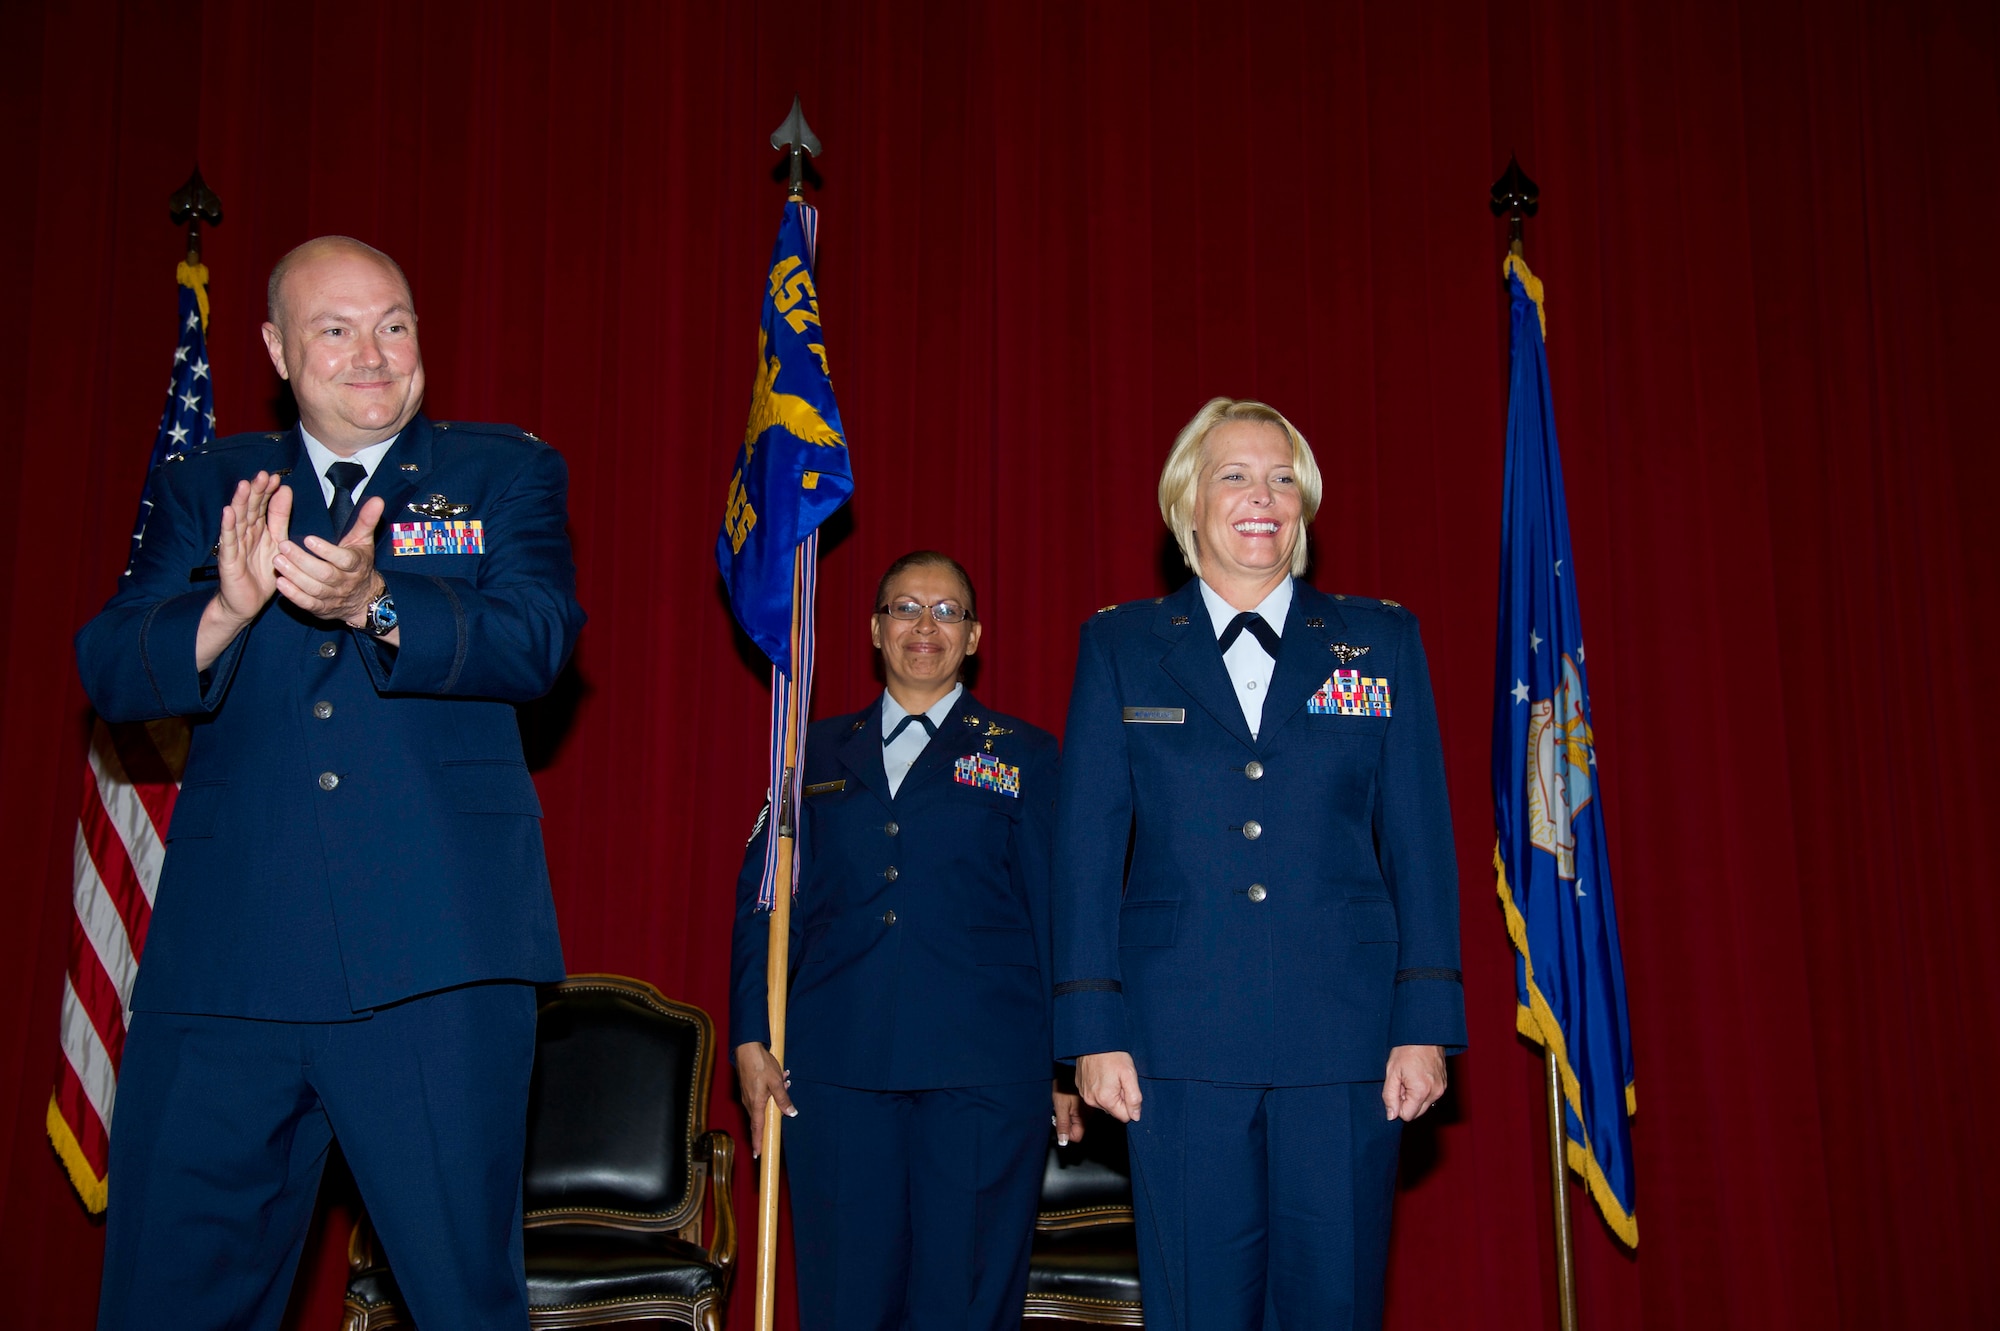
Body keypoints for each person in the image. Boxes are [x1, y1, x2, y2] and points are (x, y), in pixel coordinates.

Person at [74, 236, 586, 1331]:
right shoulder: (207, 485)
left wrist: (374, 601)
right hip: (225, 972)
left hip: (436, 962)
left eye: (393, 323)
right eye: (335, 329)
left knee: (462, 1299)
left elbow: (539, 637)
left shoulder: (503, 471)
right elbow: (110, 664)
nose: (371, 353)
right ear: (273, 348)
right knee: (168, 1297)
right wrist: (225, 609)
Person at [1052, 397, 1465, 1330]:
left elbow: (1421, 845)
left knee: (1335, 1302)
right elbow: (1084, 849)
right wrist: (1090, 1026)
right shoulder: (1119, 646)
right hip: (1176, 1046)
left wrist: (1424, 1020)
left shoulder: (1381, 642)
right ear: (1187, 504)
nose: (1262, 496)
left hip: (1348, 1043)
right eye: (1234, 475)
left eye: (1284, 479)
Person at [731, 550, 1075, 1330]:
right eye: (906, 608)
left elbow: (1056, 911)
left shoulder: (1024, 754)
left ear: (975, 635)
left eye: (947, 611)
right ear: (875, 629)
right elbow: (764, 902)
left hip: (983, 1074)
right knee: (846, 1300)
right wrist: (752, 1034)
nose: (926, 626)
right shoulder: (808, 751)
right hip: (840, 1068)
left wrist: (1066, 1059)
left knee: (963, 1306)